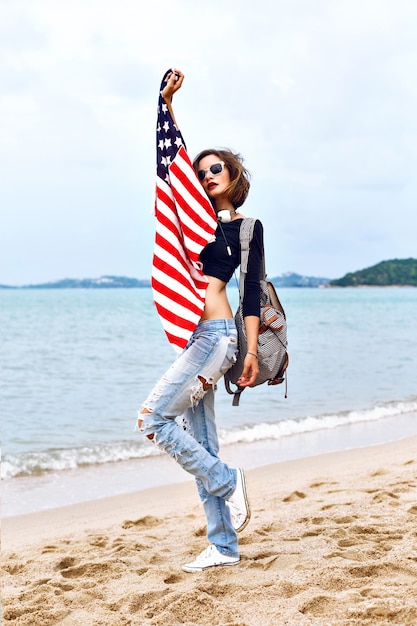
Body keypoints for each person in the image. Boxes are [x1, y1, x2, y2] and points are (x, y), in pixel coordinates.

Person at [137, 69, 264, 573]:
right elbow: (172, 167)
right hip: (196, 337)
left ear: (234, 177)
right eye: (203, 170)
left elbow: (249, 295)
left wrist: (251, 352)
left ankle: (229, 481)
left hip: (217, 337)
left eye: (218, 169)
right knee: (203, 441)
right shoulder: (193, 220)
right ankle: (224, 547)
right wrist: (165, 105)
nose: (208, 175)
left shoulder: (246, 228)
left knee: (152, 419)